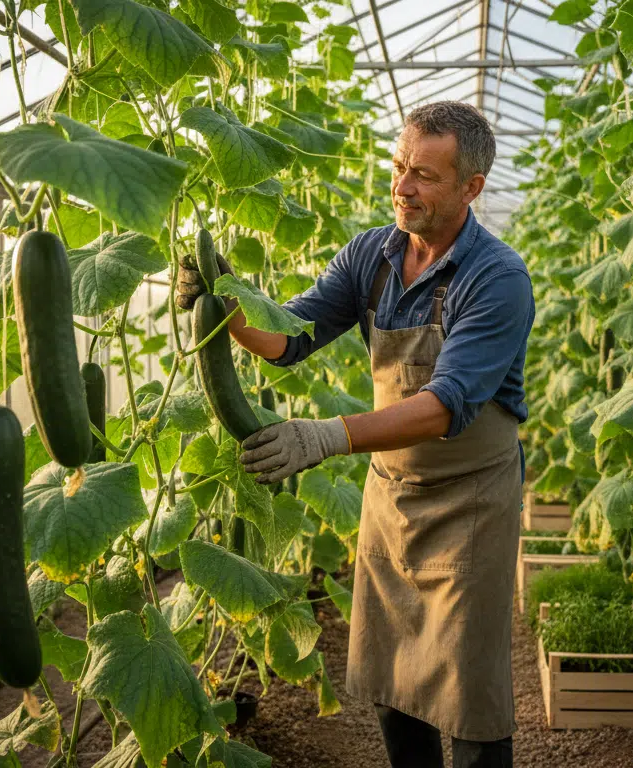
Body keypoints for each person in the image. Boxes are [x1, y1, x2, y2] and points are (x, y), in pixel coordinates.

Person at [176, 100, 534, 768]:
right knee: (394, 684)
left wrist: (325, 436)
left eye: (425, 175)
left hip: (472, 502)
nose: (403, 186)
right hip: (392, 498)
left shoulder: (498, 278)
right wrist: (222, 305)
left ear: (470, 188)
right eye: (400, 166)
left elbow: (442, 405)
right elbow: (289, 337)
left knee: (469, 694)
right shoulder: (371, 255)